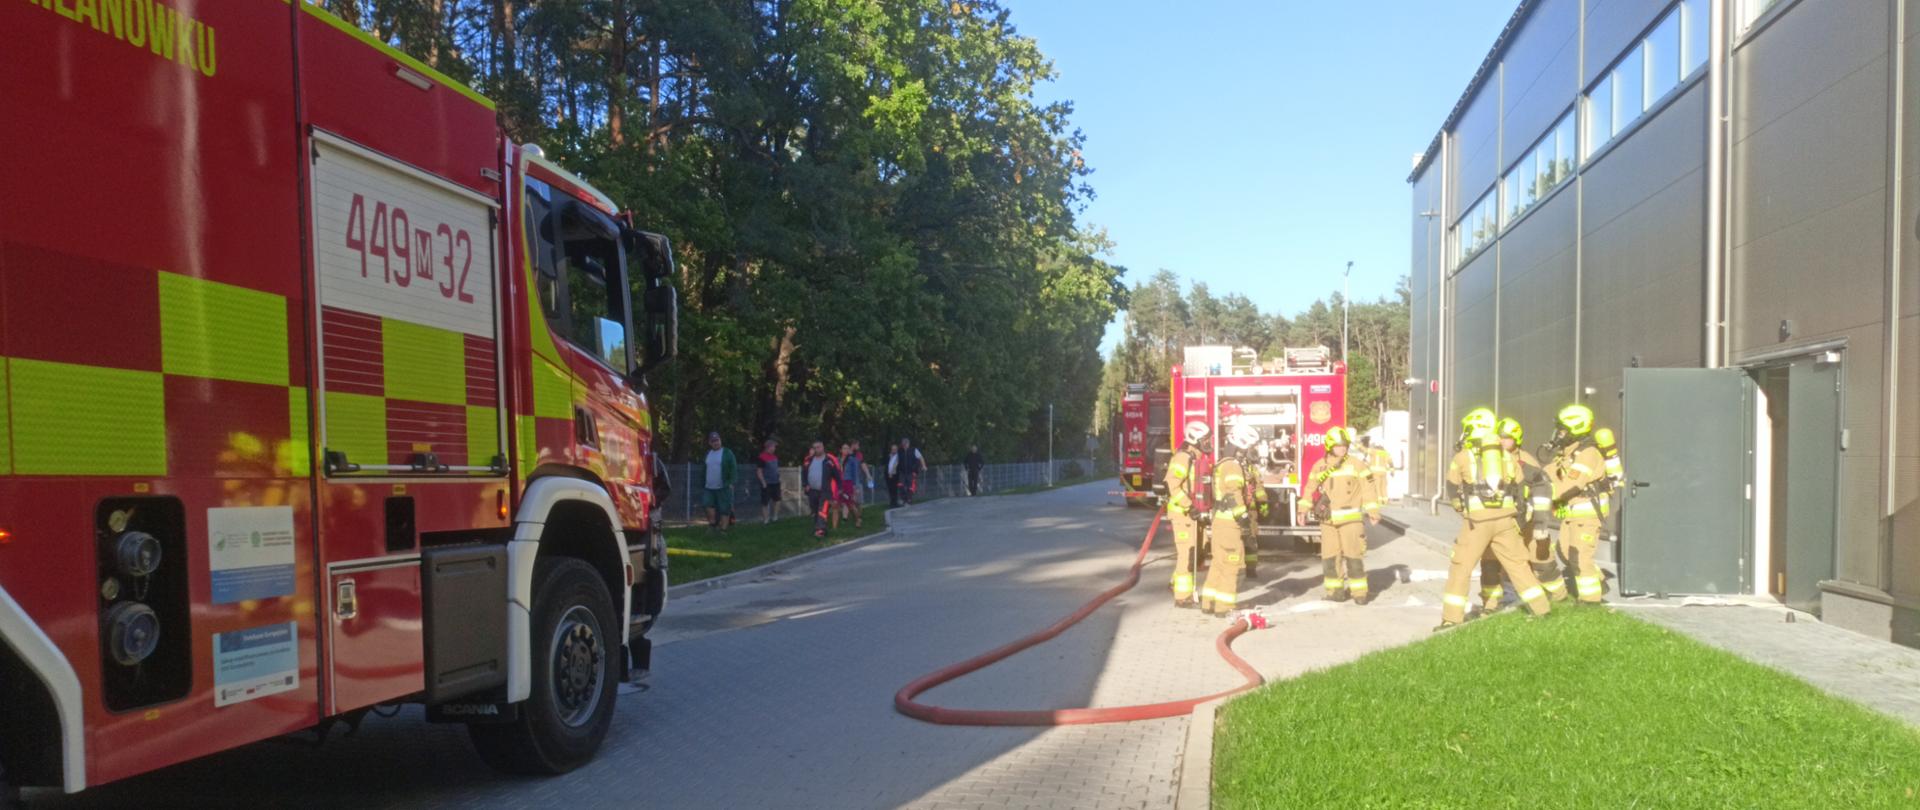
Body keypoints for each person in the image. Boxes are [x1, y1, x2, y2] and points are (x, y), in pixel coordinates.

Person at [1437, 409, 1554, 630]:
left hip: (1477, 523)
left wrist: (1459, 505)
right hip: (1505, 522)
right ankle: (1542, 609)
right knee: (1519, 566)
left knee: (1461, 567)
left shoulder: (1463, 457)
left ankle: (1451, 618)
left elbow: (1452, 485)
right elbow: (1520, 485)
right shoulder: (1508, 457)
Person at [1478, 418, 1563, 612]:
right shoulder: (1491, 458)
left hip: (1526, 521)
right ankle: (1494, 604)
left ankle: (1559, 596)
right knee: (1492, 564)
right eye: (1499, 437)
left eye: (1506, 438)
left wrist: (1539, 522)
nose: (1501, 441)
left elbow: (1541, 489)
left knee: (1540, 560)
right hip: (1500, 520)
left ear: (1516, 439)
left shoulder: (1526, 461)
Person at [1301, 426, 1382, 604]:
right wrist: (1303, 509)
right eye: (1339, 446)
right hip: (1328, 522)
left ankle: (1359, 594)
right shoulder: (1319, 466)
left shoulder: (1357, 464)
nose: (1343, 448)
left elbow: (1369, 489)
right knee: (1330, 558)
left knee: (1354, 557)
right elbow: (1309, 488)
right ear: (1329, 446)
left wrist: (1373, 511)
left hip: (1351, 521)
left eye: (1345, 445)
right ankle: (1335, 592)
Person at [1545, 404, 1613, 604]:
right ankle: (1599, 582)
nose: (1558, 433)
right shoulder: (1568, 452)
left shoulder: (1588, 452)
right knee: (1565, 550)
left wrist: (1547, 494)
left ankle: (1590, 601)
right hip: (1572, 513)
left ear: (1575, 429)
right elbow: (1552, 472)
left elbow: (1573, 484)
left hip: (1587, 514)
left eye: (1563, 429)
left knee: (1581, 557)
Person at [1201, 424, 1260, 617]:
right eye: (1250, 446)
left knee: (1219, 563)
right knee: (1232, 564)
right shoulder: (1233, 466)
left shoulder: (1223, 462)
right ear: (1242, 444)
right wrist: (1243, 519)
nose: (1251, 451)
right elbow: (1234, 494)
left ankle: (1209, 602)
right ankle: (1224, 607)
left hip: (1220, 522)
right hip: (1230, 524)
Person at [1163, 422, 1209, 608]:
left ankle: (1176, 583)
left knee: (1198, 549)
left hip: (1191, 514)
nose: (1208, 443)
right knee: (1187, 554)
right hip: (1183, 514)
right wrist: (1189, 506)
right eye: (1205, 439)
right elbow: (1172, 484)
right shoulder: (1183, 458)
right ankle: (1182, 597)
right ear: (1195, 439)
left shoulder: (1194, 458)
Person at [701, 431, 737, 533]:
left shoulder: (727, 453)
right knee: (707, 504)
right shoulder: (708, 454)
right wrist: (703, 482)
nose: (716, 443)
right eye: (713, 441)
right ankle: (713, 524)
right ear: (710, 443)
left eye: (717, 440)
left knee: (725, 508)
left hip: (723, 486)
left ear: (720, 440)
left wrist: (730, 482)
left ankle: (723, 529)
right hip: (709, 486)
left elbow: (733, 468)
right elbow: (704, 469)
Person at [803, 441, 839, 538]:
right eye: (815, 448)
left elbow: (837, 476)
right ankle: (818, 527)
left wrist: (839, 489)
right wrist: (805, 484)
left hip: (825, 491)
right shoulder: (809, 460)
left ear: (823, 447)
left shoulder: (829, 460)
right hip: (812, 491)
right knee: (815, 510)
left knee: (822, 510)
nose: (816, 449)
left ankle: (821, 530)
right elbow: (804, 474)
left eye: (818, 447)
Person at [835, 441, 864, 529]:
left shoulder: (852, 459)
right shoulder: (838, 459)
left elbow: (855, 474)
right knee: (842, 503)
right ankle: (845, 519)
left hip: (848, 483)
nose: (846, 450)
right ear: (841, 450)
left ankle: (858, 519)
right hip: (840, 483)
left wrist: (855, 487)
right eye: (844, 448)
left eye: (847, 448)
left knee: (850, 503)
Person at [755, 439, 782, 524]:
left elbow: (776, 469)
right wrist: (763, 482)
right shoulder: (762, 457)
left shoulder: (775, 457)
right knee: (765, 502)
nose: (775, 448)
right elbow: (759, 471)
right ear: (769, 447)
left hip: (776, 482)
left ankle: (775, 517)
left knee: (777, 500)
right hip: (767, 483)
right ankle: (766, 519)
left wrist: (778, 477)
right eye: (774, 446)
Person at [894, 438, 925, 505]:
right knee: (900, 485)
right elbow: (896, 461)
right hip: (902, 471)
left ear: (908, 444)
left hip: (912, 471)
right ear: (902, 444)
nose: (905, 445)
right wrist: (893, 469)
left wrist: (924, 466)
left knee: (910, 487)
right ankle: (904, 498)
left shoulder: (914, 450)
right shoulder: (899, 451)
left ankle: (909, 499)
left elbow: (921, 457)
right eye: (903, 444)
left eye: (906, 443)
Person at [885, 441, 902, 508]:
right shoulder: (889, 456)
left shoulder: (898, 456)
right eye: (893, 449)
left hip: (894, 475)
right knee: (890, 489)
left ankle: (895, 502)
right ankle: (892, 502)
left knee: (894, 489)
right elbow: (887, 465)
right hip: (888, 475)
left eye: (895, 449)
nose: (894, 450)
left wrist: (891, 473)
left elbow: (895, 465)